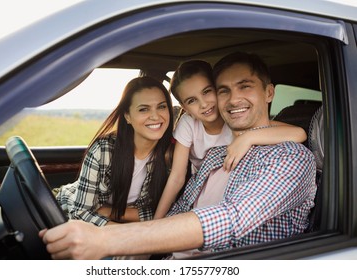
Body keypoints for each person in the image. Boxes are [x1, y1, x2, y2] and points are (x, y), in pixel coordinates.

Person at [39, 52, 317, 260]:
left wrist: (109, 238)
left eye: (245, 86)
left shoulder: (289, 158)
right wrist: (143, 247)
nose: (233, 100)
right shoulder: (214, 156)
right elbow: (178, 206)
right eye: (223, 91)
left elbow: (231, 218)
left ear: (269, 93)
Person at [153, 60, 307, 219]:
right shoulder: (189, 123)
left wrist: (248, 138)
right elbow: (177, 177)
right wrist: (156, 222)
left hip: (230, 183)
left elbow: (298, 133)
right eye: (192, 100)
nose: (204, 104)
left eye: (207, 91)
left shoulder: (235, 119)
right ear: (185, 108)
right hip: (199, 185)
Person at [54, 76, 174, 227]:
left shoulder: (171, 154)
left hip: (115, 222)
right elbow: (80, 213)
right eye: (144, 109)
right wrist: (125, 233)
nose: (156, 116)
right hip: (64, 213)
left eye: (162, 106)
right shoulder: (104, 150)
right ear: (127, 116)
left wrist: (111, 212)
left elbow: (167, 212)